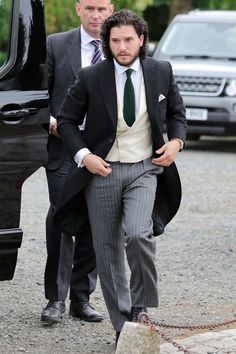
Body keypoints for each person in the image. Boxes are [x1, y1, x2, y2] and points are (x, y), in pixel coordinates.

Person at [54, 9, 187, 342]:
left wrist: (176, 142)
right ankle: (123, 327)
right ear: (107, 43)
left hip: (145, 169)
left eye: (128, 39)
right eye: (115, 41)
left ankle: (141, 307)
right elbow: (67, 122)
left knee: (139, 234)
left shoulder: (161, 71)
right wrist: (85, 157)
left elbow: (176, 113)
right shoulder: (90, 77)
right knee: (107, 250)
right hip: (102, 173)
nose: (122, 46)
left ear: (141, 40)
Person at [41, 0, 114, 324]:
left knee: (96, 217)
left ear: (111, 10)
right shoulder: (56, 44)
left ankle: (81, 298)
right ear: (78, 9)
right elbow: (39, 93)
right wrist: (52, 120)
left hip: (103, 150)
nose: (96, 15)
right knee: (60, 215)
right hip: (61, 147)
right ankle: (55, 299)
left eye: (102, 8)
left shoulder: (120, 44)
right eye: (90, 8)